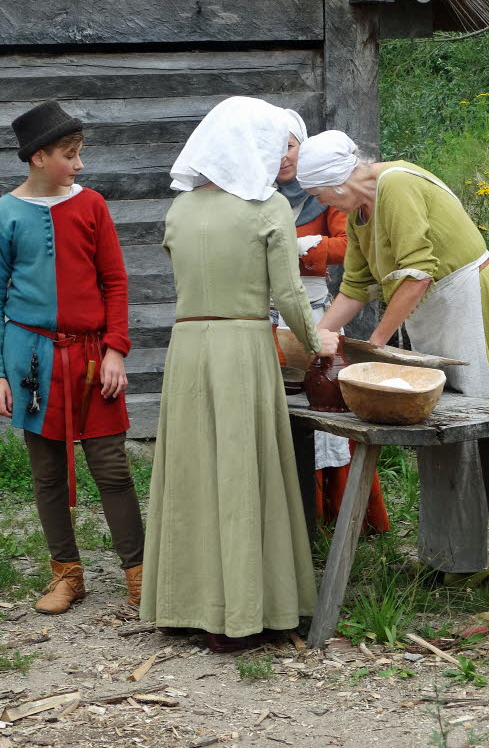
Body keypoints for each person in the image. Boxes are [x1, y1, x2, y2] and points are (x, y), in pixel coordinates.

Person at [295, 130, 489, 582]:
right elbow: (357, 286)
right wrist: (315, 335)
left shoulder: (396, 185)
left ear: (338, 182)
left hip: (466, 301)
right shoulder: (360, 213)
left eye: (319, 194)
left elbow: (417, 275)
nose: (322, 205)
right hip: (431, 313)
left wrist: (377, 345)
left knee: (478, 422)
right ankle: (454, 557)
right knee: (441, 431)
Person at [140, 97, 340, 653]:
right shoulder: (267, 208)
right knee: (244, 470)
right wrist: (316, 340)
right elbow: (287, 293)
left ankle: (183, 604)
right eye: (275, 145)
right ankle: (249, 610)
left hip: (188, 348)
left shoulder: (179, 210)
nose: (281, 157)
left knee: (194, 471)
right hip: (244, 346)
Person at [0, 101, 145, 614]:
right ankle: (67, 575)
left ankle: (139, 574)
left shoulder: (91, 205)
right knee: (47, 471)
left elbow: (114, 280)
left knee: (111, 466)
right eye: (69, 155)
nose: (78, 164)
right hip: (31, 359)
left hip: (93, 357)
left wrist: (116, 348)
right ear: (38, 157)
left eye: (79, 154)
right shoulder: (2, 215)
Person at [274, 111, 390, 534]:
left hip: (316, 309)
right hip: (267, 314)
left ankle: (341, 517)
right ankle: (292, 519)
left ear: (301, 146)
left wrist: (307, 248)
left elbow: (349, 245)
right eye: (274, 148)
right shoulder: (257, 195)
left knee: (326, 398)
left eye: (288, 146)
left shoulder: (322, 195)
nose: (282, 157)